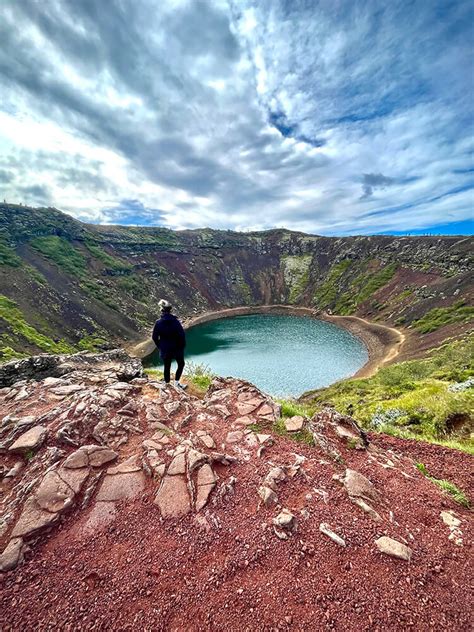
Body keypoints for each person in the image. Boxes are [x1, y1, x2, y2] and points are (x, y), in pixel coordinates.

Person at [152, 299, 187, 389]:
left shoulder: (158, 323)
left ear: (161, 311)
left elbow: (154, 337)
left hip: (165, 348)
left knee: (167, 366)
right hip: (177, 348)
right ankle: (176, 384)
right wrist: (182, 346)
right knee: (181, 364)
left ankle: (167, 385)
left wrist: (160, 347)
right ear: (170, 311)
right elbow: (182, 335)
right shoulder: (176, 322)